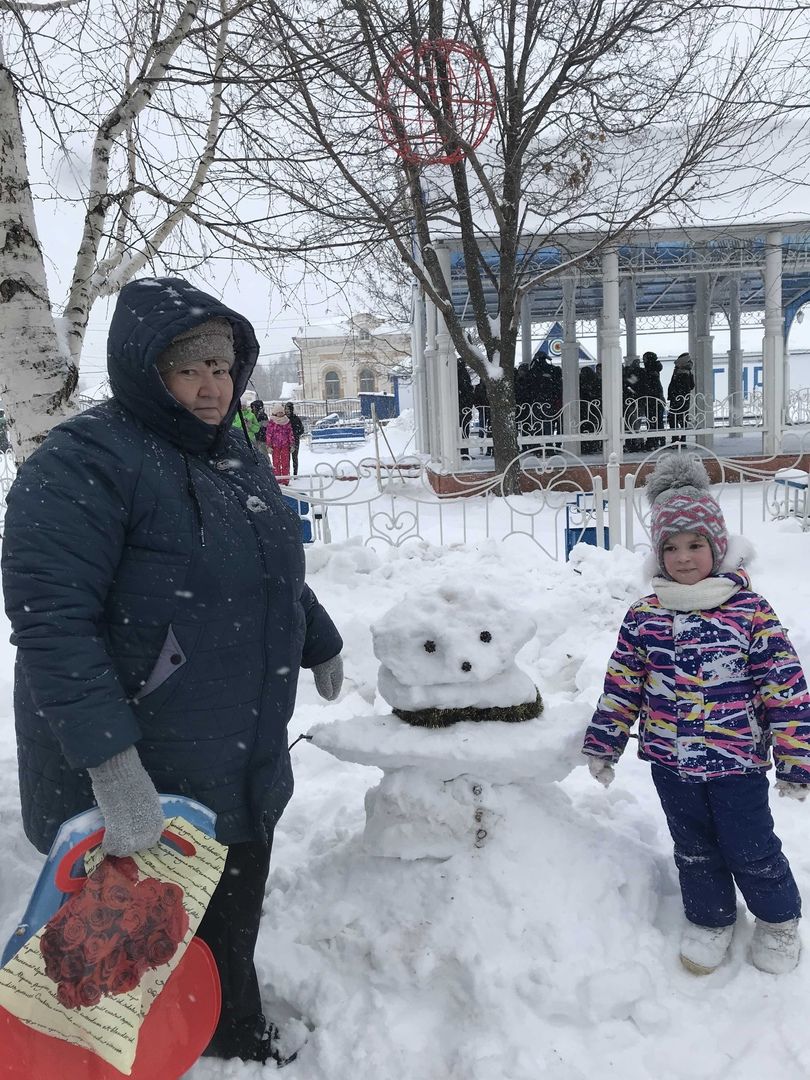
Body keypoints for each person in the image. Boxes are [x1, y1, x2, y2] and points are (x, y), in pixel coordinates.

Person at [1, 276, 344, 1066]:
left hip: (235, 747)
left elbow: (265, 567)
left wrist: (314, 635)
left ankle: (228, 1031)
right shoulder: (82, 463)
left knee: (227, 913)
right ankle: (112, 1059)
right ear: (143, 370)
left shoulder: (234, 451)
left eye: (222, 368)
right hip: (145, 764)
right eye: (188, 369)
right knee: (116, 958)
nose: (211, 386)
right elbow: (54, 627)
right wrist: (111, 766)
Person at [582, 455, 810, 977]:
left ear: (717, 547)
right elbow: (622, 685)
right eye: (671, 547)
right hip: (671, 761)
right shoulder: (645, 616)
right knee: (694, 850)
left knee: (751, 848)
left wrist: (797, 759)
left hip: (737, 764)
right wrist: (604, 741)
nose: (683, 558)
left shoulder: (749, 611)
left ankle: (778, 921)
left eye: (695, 545)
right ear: (657, 554)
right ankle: (710, 921)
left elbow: (785, 688)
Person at [667, 352, 694, 443]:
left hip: (678, 399)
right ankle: (681, 439)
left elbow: (685, 387)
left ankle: (677, 440)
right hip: (682, 399)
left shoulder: (681, 372)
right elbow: (691, 386)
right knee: (681, 419)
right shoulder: (686, 371)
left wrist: (675, 395)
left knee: (674, 419)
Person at [266, 403, 295, 485]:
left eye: (282, 412)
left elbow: (290, 433)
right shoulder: (272, 422)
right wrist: (268, 446)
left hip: (285, 446)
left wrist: (292, 444)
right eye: (279, 412)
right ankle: (278, 480)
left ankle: (285, 480)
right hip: (275, 447)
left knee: (285, 463)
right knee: (276, 463)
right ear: (275, 413)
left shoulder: (287, 421)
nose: (280, 414)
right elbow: (268, 435)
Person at [641, 351, 665, 449]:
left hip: (652, 400)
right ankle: (659, 439)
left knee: (652, 421)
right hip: (657, 399)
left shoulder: (649, 372)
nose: (643, 361)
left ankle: (653, 441)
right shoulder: (654, 370)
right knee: (657, 421)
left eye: (644, 359)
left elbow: (648, 386)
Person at [284, 401, 305, 477]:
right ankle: (287, 473)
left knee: (294, 457)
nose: (287, 411)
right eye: (285, 409)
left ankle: (295, 474)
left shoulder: (296, 419)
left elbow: (301, 430)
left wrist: (294, 434)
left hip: (295, 440)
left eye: (288, 409)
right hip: (285, 441)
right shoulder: (283, 418)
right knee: (286, 458)